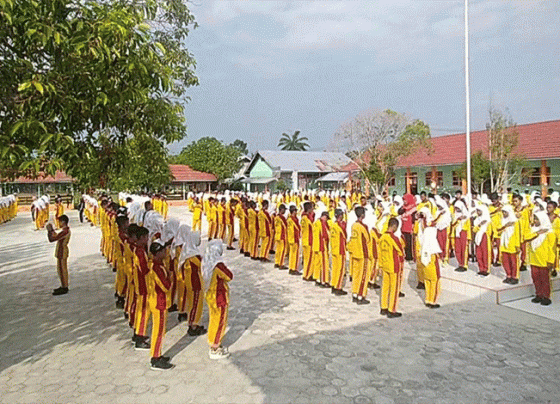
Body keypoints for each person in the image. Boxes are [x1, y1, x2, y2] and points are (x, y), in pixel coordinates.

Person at [202, 240, 233, 359]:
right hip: (219, 297)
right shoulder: (218, 265)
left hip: (210, 295)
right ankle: (215, 347)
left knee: (213, 319)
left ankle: (212, 340)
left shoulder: (207, 262)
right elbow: (229, 276)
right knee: (220, 321)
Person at [148, 242, 174, 370]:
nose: (165, 253)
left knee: (160, 330)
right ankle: (155, 358)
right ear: (158, 253)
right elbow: (166, 286)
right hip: (159, 303)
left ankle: (158, 353)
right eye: (163, 251)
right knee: (158, 331)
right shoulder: (156, 268)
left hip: (160, 301)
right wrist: (170, 277)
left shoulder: (158, 264)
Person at [525, 211, 556, 306]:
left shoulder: (550, 233)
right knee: (535, 278)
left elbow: (552, 249)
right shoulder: (533, 230)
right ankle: (538, 294)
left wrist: (551, 261)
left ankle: (546, 296)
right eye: (534, 218)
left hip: (544, 261)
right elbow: (526, 237)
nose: (535, 221)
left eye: (537, 219)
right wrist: (537, 233)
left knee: (545, 280)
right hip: (534, 259)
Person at [379, 218, 404, 317]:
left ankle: (383, 307)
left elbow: (379, 252)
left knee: (385, 287)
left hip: (385, 264)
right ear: (394, 226)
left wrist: (380, 265)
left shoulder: (382, 237)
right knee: (394, 288)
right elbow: (401, 252)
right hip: (394, 266)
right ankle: (391, 310)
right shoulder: (393, 238)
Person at [348, 206, 372, 305]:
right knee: (363, 276)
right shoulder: (363, 227)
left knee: (356, 275)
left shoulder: (353, 225)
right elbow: (368, 240)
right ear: (363, 215)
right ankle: (360, 295)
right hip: (362, 254)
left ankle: (354, 293)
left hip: (355, 253)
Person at [46, 215, 71, 296]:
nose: (58, 223)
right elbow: (56, 236)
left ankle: (65, 287)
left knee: (62, 270)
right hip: (61, 251)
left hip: (62, 252)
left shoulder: (65, 231)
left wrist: (50, 231)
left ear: (63, 222)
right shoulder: (65, 230)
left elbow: (53, 239)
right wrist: (52, 231)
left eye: (59, 222)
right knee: (60, 269)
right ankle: (63, 285)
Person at [498, 205, 521, 284]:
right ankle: (508, 275)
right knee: (505, 261)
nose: (504, 214)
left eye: (505, 212)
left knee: (514, 262)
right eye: (503, 212)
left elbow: (517, 234)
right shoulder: (502, 221)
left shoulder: (515, 222)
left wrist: (517, 245)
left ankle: (515, 277)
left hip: (512, 244)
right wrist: (505, 226)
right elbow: (498, 230)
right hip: (504, 244)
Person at [330, 209, 348, 295]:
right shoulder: (340, 225)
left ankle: (333, 284)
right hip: (340, 249)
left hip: (334, 248)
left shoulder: (333, 225)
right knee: (340, 269)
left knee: (335, 268)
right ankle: (338, 286)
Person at [312, 210, 330, 288]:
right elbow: (325, 235)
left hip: (316, 245)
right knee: (324, 264)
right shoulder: (322, 223)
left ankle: (317, 279)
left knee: (317, 263)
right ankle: (323, 280)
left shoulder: (316, 223)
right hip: (321, 246)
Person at [301, 202, 314, 281]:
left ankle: (305, 273)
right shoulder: (307, 219)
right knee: (309, 259)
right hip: (309, 240)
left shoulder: (303, 217)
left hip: (304, 240)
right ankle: (308, 275)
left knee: (306, 259)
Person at [287, 205, 302, 276]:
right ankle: (294, 268)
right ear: (294, 211)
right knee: (295, 255)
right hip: (294, 239)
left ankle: (291, 267)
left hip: (291, 238)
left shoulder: (290, 219)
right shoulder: (293, 220)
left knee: (292, 254)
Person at [274, 204, 288, 270]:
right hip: (282, 235)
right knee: (282, 250)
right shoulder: (282, 218)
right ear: (281, 210)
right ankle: (281, 263)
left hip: (277, 235)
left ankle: (277, 262)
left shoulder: (276, 217)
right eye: (284, 210)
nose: (285, 211)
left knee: (278, 250)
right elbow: (286, 226)